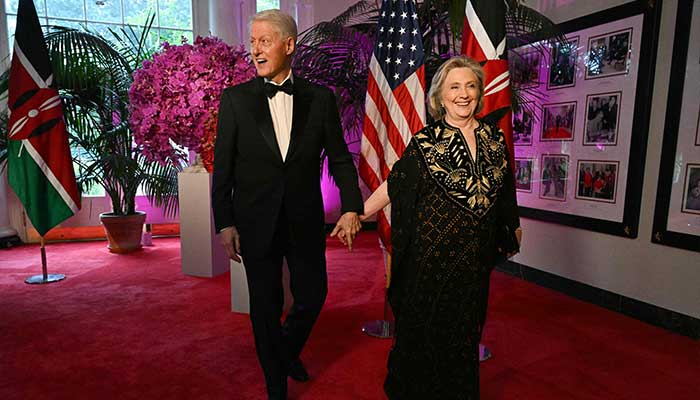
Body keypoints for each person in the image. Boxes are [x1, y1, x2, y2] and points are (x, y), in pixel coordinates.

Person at [334, 56, 522, 399]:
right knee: (425, 333)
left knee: (464, 333)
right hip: (431, 257)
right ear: (440, 97)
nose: (463, 94)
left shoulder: (495, 140)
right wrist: (358, 215)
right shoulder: (426, 141)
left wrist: (514, 225)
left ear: (480, 93)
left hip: (472, 261)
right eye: (455, 87)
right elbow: (395, 186)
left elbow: (505, 190)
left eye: (470, 86)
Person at [211, 9, 363, 400]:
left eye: (264, 41)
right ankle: (276, 383)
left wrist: (350, 207)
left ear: (289, 45)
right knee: (266, 304)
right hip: (254, 221)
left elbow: (341, 158)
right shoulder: (236, 100)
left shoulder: (320, 99)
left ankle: (284, 351)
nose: (255, 50)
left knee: (313, 295)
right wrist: (224, 223)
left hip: (304, 218)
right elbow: (222, 168)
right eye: (252, 42)